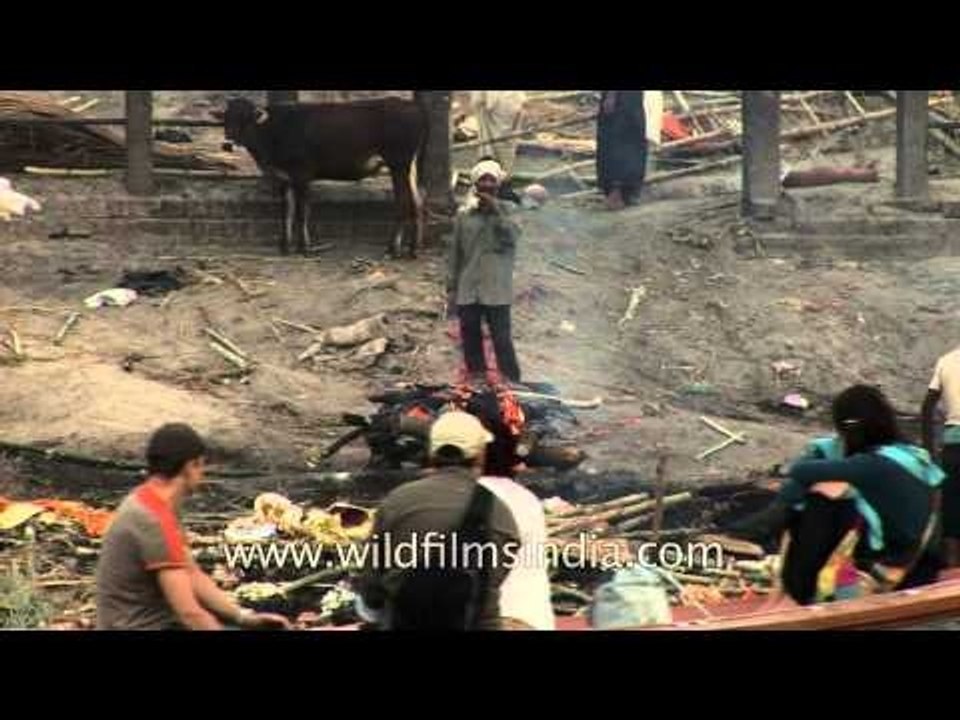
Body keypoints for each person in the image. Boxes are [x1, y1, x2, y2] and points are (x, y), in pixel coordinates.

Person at [95, 423, 291, 630]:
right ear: (191, 466)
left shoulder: (150, 501)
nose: (203, 474)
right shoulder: (153, 520)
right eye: (201, 466)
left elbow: (193, 575)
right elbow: (189, 613)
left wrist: (242, 617)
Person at [776, 385, 943, 605]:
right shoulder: (904, 453)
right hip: (923, 564)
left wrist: (821, 453)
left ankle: (801, 590)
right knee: (829, 491)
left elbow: (799, 472)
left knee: (822, 501)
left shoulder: (873, 465)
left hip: (897, 570)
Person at [356, 411, 521, 630]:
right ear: (481, 454)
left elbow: (371, 590)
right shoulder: (500, 513)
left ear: (432, 452)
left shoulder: (397, 502)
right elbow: (494, 582)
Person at [447, 159, 523, 385]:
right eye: (483, 180)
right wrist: (451, 288)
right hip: (468, 287)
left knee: (501, 338)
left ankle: (511, 379)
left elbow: (512, 238)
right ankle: (477, 377)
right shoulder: (463, 215)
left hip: (497, 288)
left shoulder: (510, 211)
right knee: (470, 334)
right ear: (475, 183)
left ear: (498, 184)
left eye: (492, 180)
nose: (487, 184)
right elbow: (455, 254)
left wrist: (496, 210)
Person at [922, 346, 960, 567]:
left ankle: (952, 574)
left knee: (952, 514)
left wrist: (929, 449)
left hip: (953, 447)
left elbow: (927, 406)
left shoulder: (946, 360)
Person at [596, 91, 648, 211]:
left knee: (616, 141)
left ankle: (617, 192)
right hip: (630, 100)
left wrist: (611, 96)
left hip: (622, 100)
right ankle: (626, 193)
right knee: (629, 140)